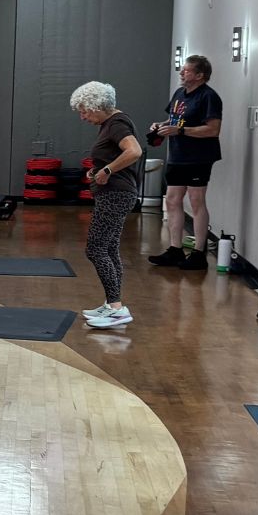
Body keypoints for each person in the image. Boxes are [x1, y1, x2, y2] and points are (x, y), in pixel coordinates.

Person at [72, 81, 144, 330]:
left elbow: (134, 151)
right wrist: (98, 169)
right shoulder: (111, 123)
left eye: (84, 111)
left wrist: (108, 169)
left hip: (116, 195)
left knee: (95, 249)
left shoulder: (117, 124)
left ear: (96, 106)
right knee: (110, 249)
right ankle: (112, 303)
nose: (82, 117)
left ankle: (116, 308)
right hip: (115, 193)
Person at [147, 55, 223, 270]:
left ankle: (199, 253)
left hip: (198, 156)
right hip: (178, 155)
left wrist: (180, 130)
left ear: (200, 75)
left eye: (187, 71)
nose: (181, 73)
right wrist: (160, 126)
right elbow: (174, 121)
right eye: (182, 70)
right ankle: (175, 249)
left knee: (196, 200)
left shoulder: (209, 97)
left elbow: (213, 129)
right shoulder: (179, 94)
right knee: (172, 200)